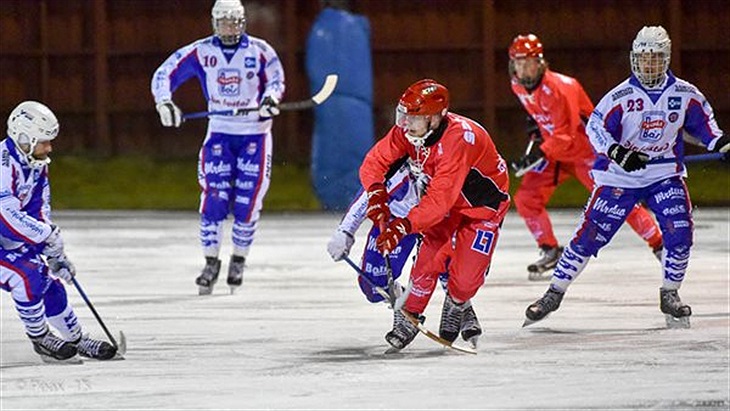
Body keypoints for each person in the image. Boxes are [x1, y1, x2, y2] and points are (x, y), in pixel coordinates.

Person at [524, 26, 729, 327]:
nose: (649, 64)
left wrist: (721, 144)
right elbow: (595, 128)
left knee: (680, 233)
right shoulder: (620, 96)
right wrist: (617, 152)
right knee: (589, 235)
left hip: (664, 175)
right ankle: (553, 293)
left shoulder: (686, 94)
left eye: (655, 58)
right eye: (644, 58)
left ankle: (670, 292)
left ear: (666, 58)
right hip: (619, 177)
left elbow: (705, 128)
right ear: (635, 59)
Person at [359, 79, 510, 350]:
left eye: (413, 117)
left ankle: (457, 301)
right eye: (403, 114)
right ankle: (410, 313)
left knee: (465, 280)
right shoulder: (409, 132)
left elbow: (439, 202)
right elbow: (375, 161)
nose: (404, 123)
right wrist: (375, 193)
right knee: (428, 259)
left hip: (482, 210)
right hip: (446, 207)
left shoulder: (458, 141)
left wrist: (403, 226)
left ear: (436, 118)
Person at [151, 0, 285, 295]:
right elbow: (164, 73)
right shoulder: (202, 51)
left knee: (247, 201)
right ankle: (211, 262)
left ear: (242, 22)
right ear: (214, 23)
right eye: (223, 22)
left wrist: (270, 99)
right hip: (220, 134)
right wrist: (164, 102)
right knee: (214, 198)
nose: (229, 28)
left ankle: (239, 259)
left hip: (255, 135)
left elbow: (276, 79)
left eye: (234, 22)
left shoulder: (260, 50)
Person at [508, 33, 664, 280]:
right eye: (519, 63)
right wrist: (537, 125)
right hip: (556, 154)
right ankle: (550, 249)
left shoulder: (561, 88)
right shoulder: (517, 85)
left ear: (540, 62)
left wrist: (538, 153)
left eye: (529, 63)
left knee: (618, 199)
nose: (524, 69)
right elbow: (544, 117)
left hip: (586, 152)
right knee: (526, 198)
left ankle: (659, 244)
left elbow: (567, 134)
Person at [0, 101, 117, 362]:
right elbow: (5, 216)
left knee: (49, 284)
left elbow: (38, 209)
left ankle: (76, 339)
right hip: (3, 235)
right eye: (44, 142)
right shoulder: (2, 164)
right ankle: (41, 339)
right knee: (27, 276)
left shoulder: (35, 163)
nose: (49, 148)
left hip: (6, 240)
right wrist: (45, 236)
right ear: (24, 138)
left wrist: (53, 252)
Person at [326, 161, 483, 346]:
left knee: (449, 259)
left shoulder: (451, 171)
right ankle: (402, 303)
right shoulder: (398, 175)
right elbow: (368, 194)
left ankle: (459, 305)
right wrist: (345, 231)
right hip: (396, 220)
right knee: (373, 284)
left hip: (437, 220)